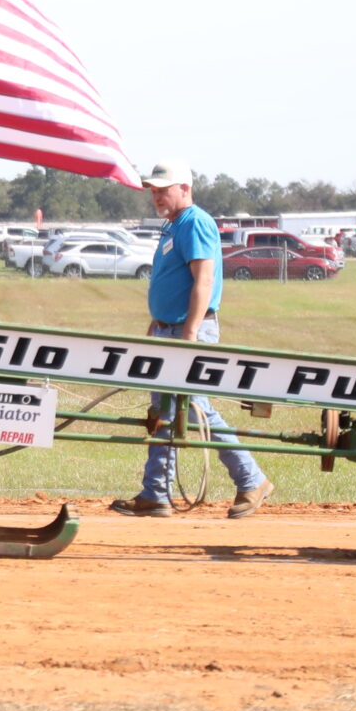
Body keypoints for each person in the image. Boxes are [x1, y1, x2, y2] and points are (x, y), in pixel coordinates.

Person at [113, 160, 270, 520]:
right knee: (168, 413)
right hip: (171, 328)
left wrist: (189, 335)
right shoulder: (173, 226)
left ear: (185, 188)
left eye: (163, 190)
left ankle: (251, 479)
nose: (156, 197)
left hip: (188, 330)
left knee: (195, 409)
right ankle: (156, 493)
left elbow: (204, 281)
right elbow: (176, 279)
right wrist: (158, 319)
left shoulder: (194, 221)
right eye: (153, 191)